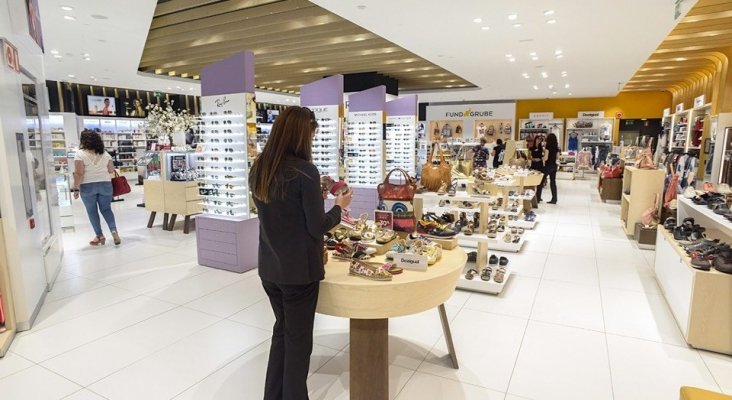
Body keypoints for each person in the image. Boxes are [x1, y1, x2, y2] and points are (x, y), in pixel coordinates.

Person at [249, 106, 352, 400]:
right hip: (298, 272)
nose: (313, 140)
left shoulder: (260, 167)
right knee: (298, 343)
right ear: (302, 134)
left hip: (269, 267)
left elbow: (280, 213)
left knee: (281, 333)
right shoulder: (305, 171)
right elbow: (316, 226)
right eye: (312, 134)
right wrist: (339, 207)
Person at [73, 129, 120, 246]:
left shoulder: (80, 154)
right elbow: (111, 170)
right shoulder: (105, 154)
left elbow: (79, 173)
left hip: (87, 186)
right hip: (105, 184)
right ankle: (114, 231)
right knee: (106, 209)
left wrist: (76, 188)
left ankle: (99, 236)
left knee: (92, 211)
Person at [537, 133, 560, 204]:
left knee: (540, 182)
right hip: (554, 166)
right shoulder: (557, 148)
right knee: (553, 182)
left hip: (548, 166)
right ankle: (554, 199)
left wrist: (542, 158)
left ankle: (538, 197)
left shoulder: (548, 148)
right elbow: (557, 158)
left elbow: (546, 158)